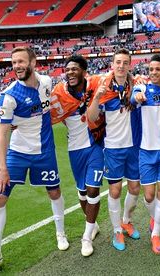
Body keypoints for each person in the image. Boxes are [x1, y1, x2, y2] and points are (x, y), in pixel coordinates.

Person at [0, 47, 68, 272]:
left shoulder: (46, 81)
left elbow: (52, 106)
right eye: (14, 62)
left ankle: (60, 232)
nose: (17, 66)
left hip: (44, 151)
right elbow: (2, 133)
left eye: (21, 61)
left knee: (54, 192)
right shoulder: (9, 96)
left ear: (33, 62)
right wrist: (2, 167)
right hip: (17, 153)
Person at [50, 55, 113, 257]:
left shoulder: (96, 84)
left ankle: (86, 237)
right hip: (75, 148)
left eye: (75, 69)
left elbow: (117, 77)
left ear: (84, 71)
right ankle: (92, 225)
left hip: (96, 144)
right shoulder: (59, 93)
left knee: (93, 190)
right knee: (82, 192)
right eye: (67, 69)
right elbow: (47, 113)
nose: (70, 72)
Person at [87, 48, 142, 251]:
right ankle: (117, 230)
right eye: (118, 62)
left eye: (125, 62)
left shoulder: (136, 84)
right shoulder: (104, 87)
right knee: (115, 189)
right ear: (113, 64)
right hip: (113, 147)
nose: (121, 66)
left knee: (135, 188)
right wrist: (96, 98)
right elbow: (91, 117)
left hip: (133, 146)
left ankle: (126, 220)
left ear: (129, 65)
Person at [131, 54, 160, 255]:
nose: (154, 72)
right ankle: (154, 217)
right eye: (151, 69)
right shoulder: (142, 89)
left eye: (158, 69)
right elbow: (134, 96)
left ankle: (156, 234)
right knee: (149, 196)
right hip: (146, 150)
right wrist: (137, 97)